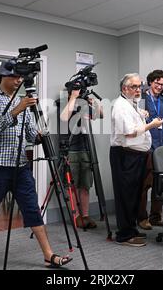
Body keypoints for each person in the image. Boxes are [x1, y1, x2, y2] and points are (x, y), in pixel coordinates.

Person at [0, 60, 72, 268]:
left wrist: (41, 135)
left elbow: (31, 135)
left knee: (32, 209)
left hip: (21, 166)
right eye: (14, 77)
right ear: (2, 77)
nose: (18, 81)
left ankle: (48, 254)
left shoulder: (25, 102)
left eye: (20, 78)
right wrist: (17, 109)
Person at [110, 73, 163, 246]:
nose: (138, 89)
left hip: (136, 155)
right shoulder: (120, 106)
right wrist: (151, 124)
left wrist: (141, 114)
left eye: (139, 86)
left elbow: (133, 124)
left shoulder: (131, 104)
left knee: (134, 196)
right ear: (124, 88)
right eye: (134, 87)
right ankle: (124, 235)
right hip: (125, 155)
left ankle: (131, 229)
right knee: (126, 196)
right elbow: (129, 132)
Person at [59, 87, 103, 229]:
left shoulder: (84, 105)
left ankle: (85, 215)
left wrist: (95, 104)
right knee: (70, 185)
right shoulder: (63, 102)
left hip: (85, 148)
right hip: (70, 149)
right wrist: (73, 97)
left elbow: (99, 115)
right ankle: (75, 216)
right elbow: (64, 117)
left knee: (85, 185)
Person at [137, 70, 163, 231]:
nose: (159, 86)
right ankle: (142, 217)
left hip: (162, 149)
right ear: (150, 82)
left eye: (162, 84)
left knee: (160, 185)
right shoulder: (142, 99)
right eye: (157, 83)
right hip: (147, 148)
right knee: (145, 185)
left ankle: (156, 216)